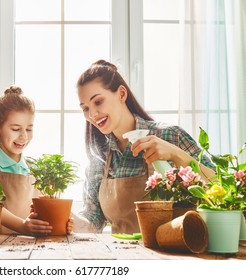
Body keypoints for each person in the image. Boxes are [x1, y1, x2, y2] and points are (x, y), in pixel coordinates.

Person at [74, 59, 215, 234]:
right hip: (125, 256)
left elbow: (221, 187)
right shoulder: (100, 159)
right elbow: (93, 220)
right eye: (85, 108)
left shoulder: (170, 135)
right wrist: (62, 218)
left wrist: (176, 155)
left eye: (98, 102)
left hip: (179, 254)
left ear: (121, 94)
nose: (92, 114)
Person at [0, 86, 55, 235]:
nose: (24, 136)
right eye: (16, 129)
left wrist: (61, 221)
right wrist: (22, 226)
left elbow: (44, 210)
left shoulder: (34, 167)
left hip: (30, 247)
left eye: (29, 129)